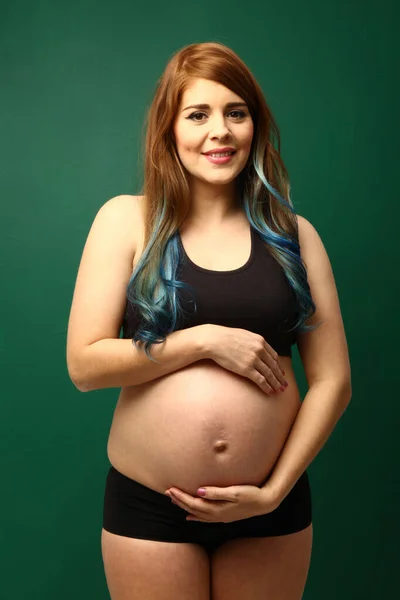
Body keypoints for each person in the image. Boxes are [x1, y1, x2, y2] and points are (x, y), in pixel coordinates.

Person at [66, 41, 352, 600]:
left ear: (255, 126)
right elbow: (85, 364)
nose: (219, 131)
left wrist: (272, 492)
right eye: (198, 114)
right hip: (152, 505)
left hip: (271, 504)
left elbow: (334, 382)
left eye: (236, 113)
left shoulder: (296, 236)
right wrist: (202, 342)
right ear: (169, 129)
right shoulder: (127, 220)